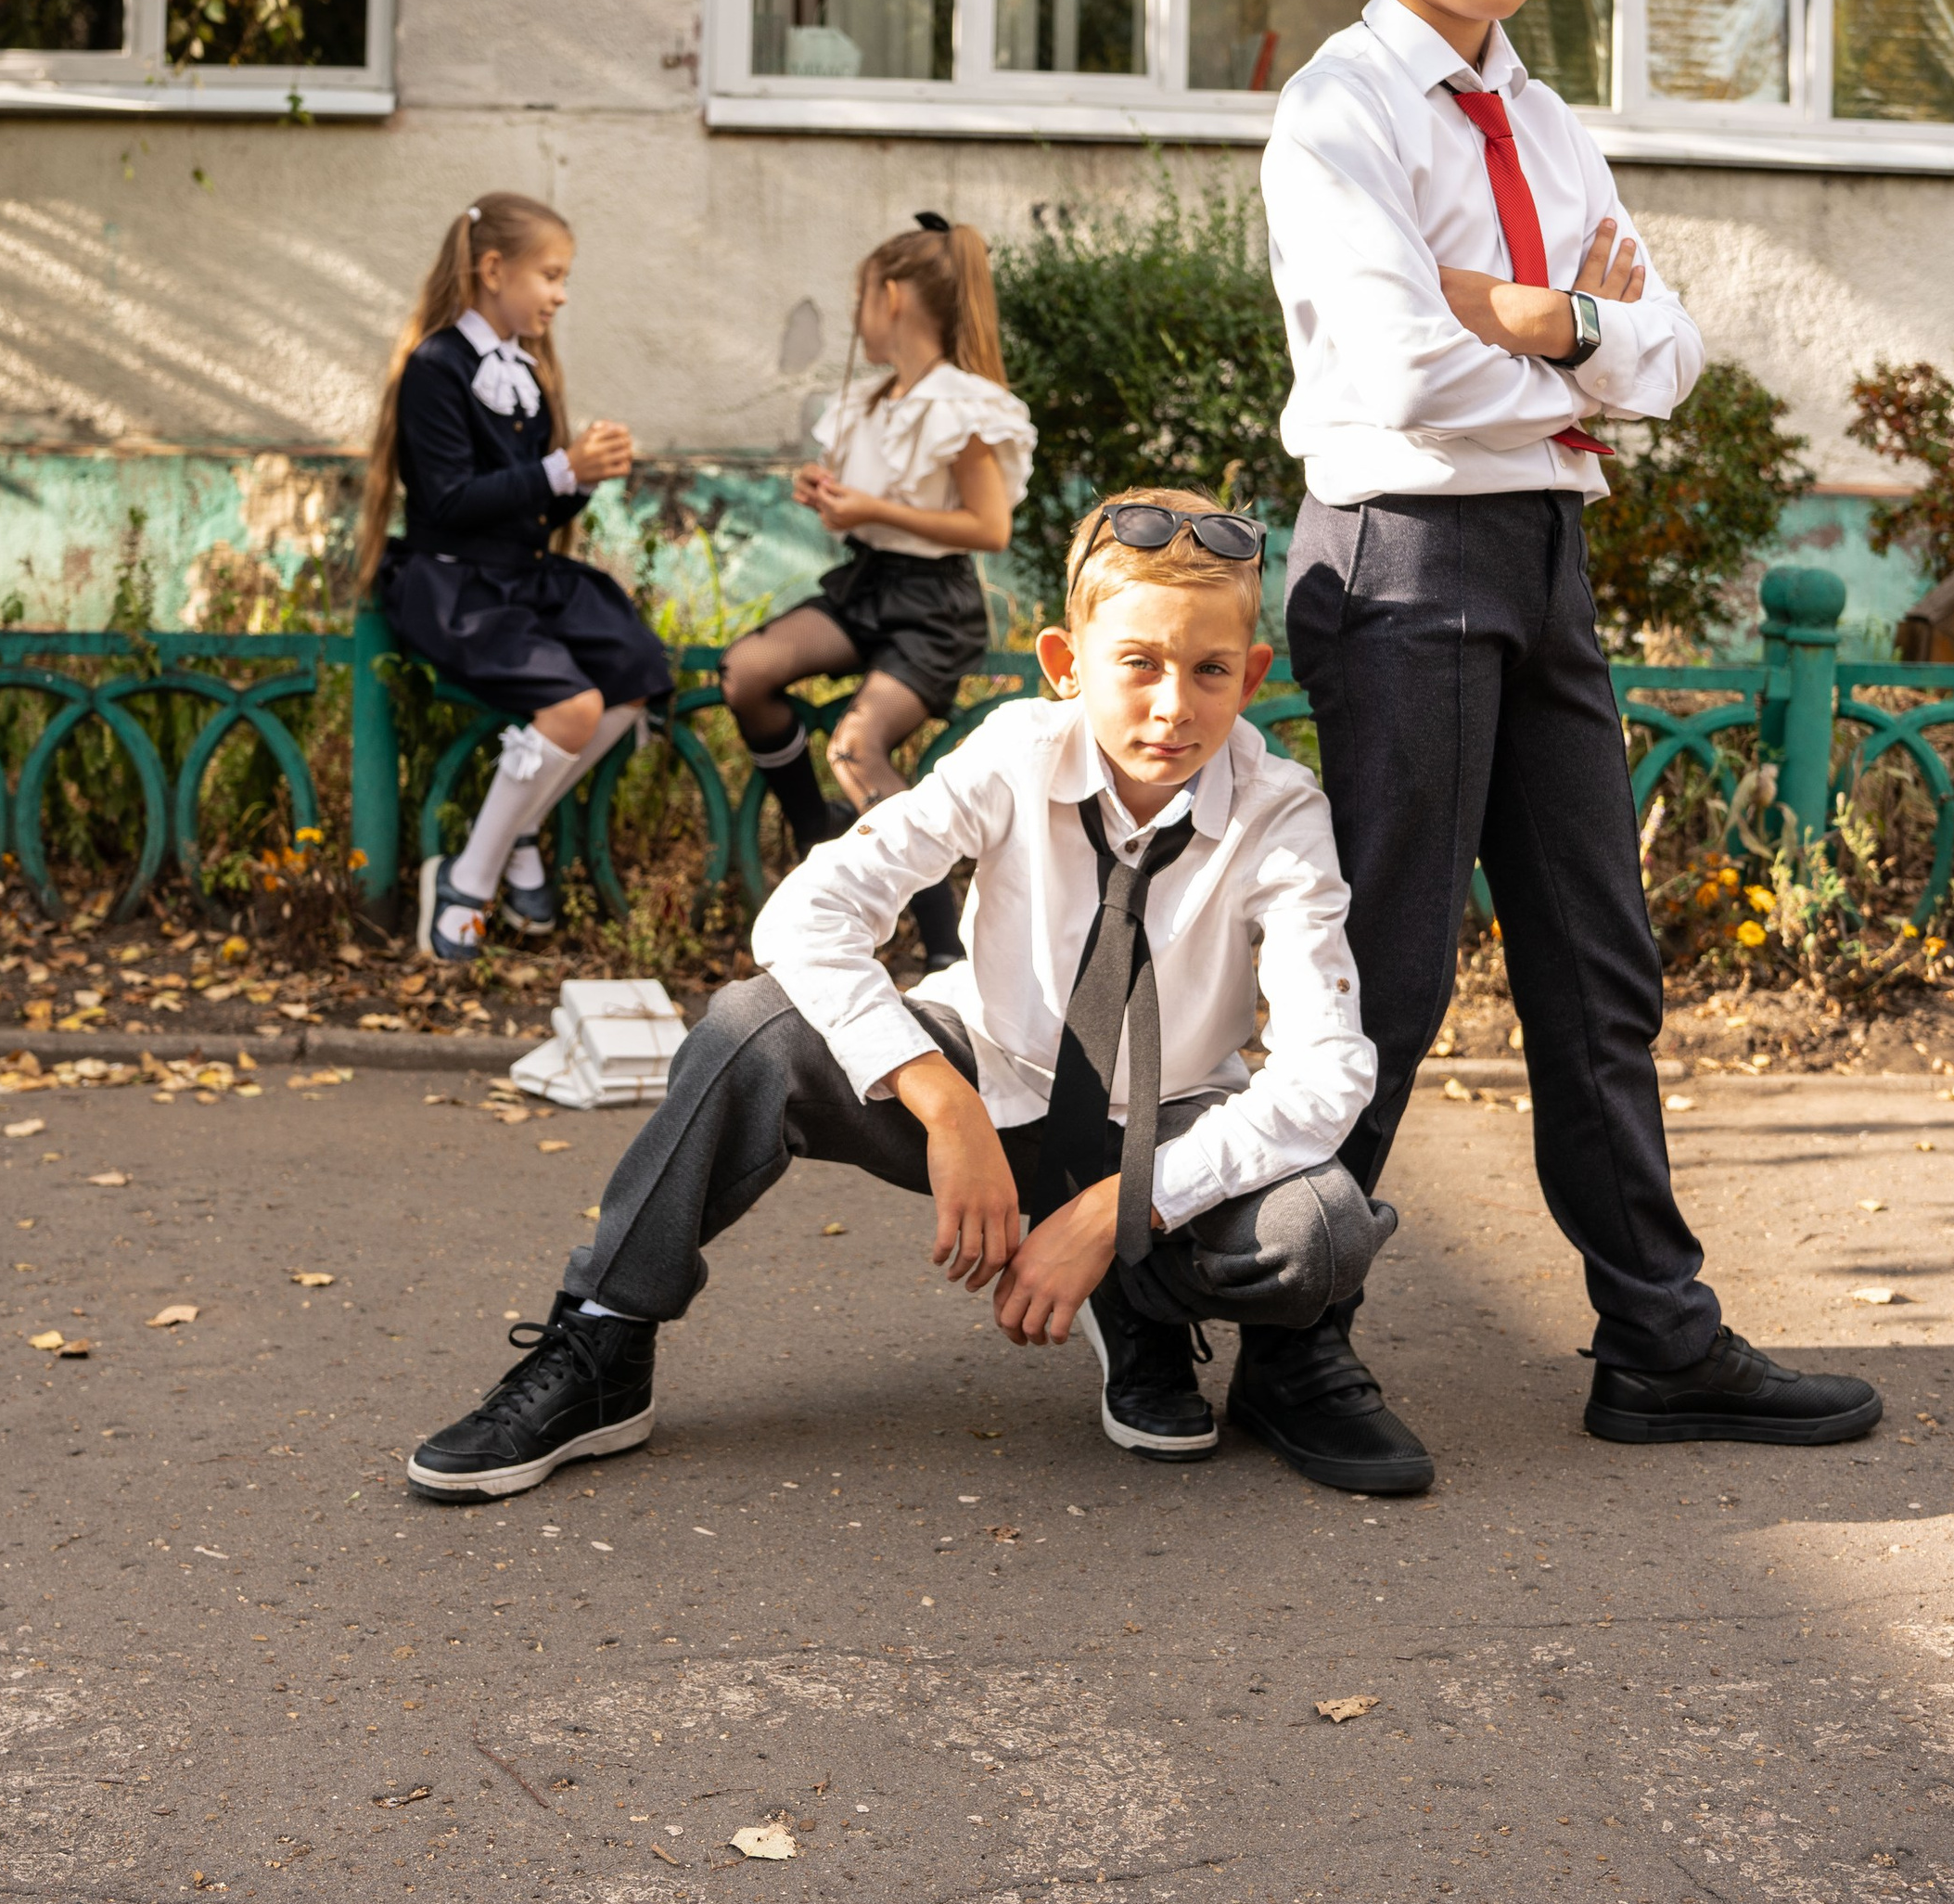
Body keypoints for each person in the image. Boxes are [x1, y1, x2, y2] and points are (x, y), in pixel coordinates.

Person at [1257, 0, 1880, 1494]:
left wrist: (1541, 325)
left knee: (1597, 965)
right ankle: (1296, 1341)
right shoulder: (1343, 109)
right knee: (1386, 964)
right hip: (1399, 557)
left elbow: (1665, 359)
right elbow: (1387, 361)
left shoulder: (1539, 117)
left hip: (1539, 553)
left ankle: (1656, 1337)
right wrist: (1573, 343)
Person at [406, 486, 1394, 1501]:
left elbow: (1330, 1072)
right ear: (1065, 664)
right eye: (1136, 663)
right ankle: (606, 1339)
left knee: (1321, 1228)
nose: (1172, 705)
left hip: (1164, 1122)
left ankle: (1133, 1291)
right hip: (992, 1088)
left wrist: (1118, 1209)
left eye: (1209, 670)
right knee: (752, 1027)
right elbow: (806, 916)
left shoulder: (1280, 813)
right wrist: (940, 1098)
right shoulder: (1016, 751)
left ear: (1251, 675)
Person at [355, 190, 674, 958]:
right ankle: (470, 875)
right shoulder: (436, 367)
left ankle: (521, 820)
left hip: (521, 577)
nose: (561, 294)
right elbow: (452, 501)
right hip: (456, 586)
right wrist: (562, 466)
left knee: (636, 674)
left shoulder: (524, 371)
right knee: (572, 708)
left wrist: (581, 477)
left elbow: (529, 512)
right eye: (551, 275)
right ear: (493, 269)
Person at [722, 215, 1035, 966]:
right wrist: (827, 492)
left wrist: (870, 509)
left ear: (891, 297)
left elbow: (988, 528)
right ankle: (817, 834)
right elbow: (869, 505)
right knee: (747, 674)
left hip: (933, 606)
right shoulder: (869, 402)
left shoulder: (962, 404)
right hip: (867, 583)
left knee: (858, 748)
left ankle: (945, 947)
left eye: (860, 296)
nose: (856, 314)